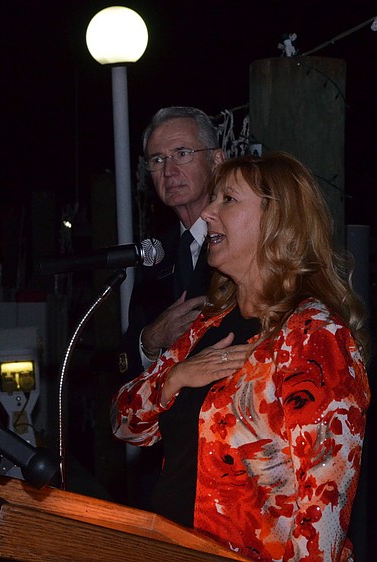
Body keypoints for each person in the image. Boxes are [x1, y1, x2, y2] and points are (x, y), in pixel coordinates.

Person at [111, 152, 371, 561]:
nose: (209, 213)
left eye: (227, 200)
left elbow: (324, 504)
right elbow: (125, 425)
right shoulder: (205, 325)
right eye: (212, 200)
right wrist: (175, 378)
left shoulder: (314, 336)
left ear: (277, 220)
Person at [117, 106, 224, 509]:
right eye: (157, 160)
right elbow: (124, 357)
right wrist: (150, 341)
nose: (169, 170)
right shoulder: (155, 255)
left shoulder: (243, 241)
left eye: (182, 154)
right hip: (161, 461)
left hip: (221, 465)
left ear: (217, 159)